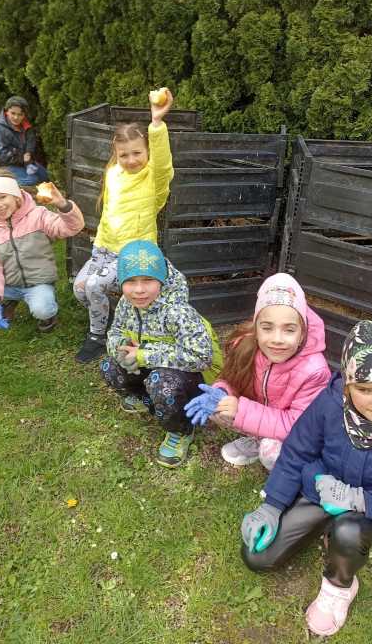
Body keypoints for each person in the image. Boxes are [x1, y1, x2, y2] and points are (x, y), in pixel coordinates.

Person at [240, 319, 372, 637]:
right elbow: (297, 451)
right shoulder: (329, 403)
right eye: (364, 389)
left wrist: (357, 500)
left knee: (348, 532)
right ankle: (324, 528)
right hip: (322, 491)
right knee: (257, 556)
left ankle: (339, 586)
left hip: (369, 511)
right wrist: (272, 505)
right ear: (347, 385)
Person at [185, 273, 331, 470]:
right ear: (256, 328)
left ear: (302, 332)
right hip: (264, 416)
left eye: (289, 330)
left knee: (272, 452)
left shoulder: (315, 370)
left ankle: (293, 469)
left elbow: (297, 425)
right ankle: (257, 438)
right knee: (218, 405)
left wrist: (241, 410)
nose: (277, 339)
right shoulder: (247, 345)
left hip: (298, 432)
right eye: (267, 328)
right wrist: (222, 391)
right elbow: (232, 380)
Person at [100, 239, 223, 468]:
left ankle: (181, 429)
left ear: (162, 279)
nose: (139, 289)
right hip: (153, 367)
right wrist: (121, 347)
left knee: (163, 384)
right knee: (109, 366)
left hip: (193, 379)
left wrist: (144, 355)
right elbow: (115, 331)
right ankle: (146, 399)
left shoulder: (178, 311)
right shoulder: (127, 304)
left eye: (148, 280)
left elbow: (201, 357)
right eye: (130, 281)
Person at [73, 89, 174, 363]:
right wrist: (99, 243)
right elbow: (109, 212)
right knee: (80, 289)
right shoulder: (113, 173)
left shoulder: (154, 178)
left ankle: (97, 337)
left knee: (94, 286)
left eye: (137, 153)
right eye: (124, 155)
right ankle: (118, 318)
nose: (131, 160)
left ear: (147, 151)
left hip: (133, 254)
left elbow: (163, 163)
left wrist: (156, 123)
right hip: (104, 249)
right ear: (116, 155)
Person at [0, 169, 84, 331]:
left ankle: (48, 316)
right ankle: (7, 300)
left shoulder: (38, 216)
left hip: (37, 283)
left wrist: (63, 205)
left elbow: (72, 227)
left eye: (2, 197)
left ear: (16, 195)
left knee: (42, 309)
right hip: (6, 283)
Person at [0, 96, 49, 186]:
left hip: (26, 161)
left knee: (44, 176)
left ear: (24, 114)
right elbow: (2, 154)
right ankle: (2, 181)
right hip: (8, 164)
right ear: (6, 111)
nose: (16, 117)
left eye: (20, 114)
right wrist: (22, 158)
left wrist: (28, 152)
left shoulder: (26, 125)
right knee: (32, 180)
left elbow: (31, 141)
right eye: (13, 113)